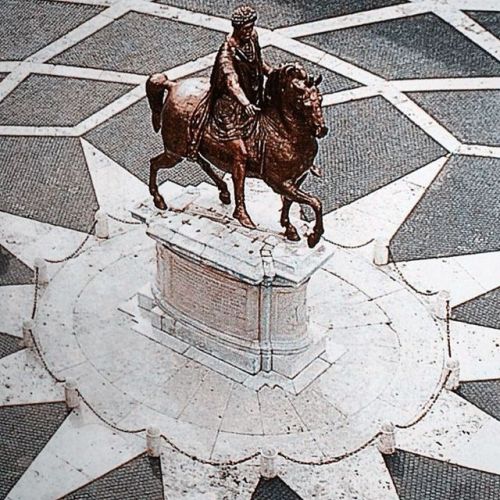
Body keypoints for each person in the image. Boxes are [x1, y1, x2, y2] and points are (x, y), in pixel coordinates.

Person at [188, 5, 273, 227]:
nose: (249, 31)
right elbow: (231, 81)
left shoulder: (252, 37)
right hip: (229, 106)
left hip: (253, 97)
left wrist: (271, 72)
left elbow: (258, 62)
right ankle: (240, 208)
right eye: (245, 28)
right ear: (236, 28)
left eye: (251, 27)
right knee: (241, 153)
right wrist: (244, 102)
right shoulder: (227, 51)